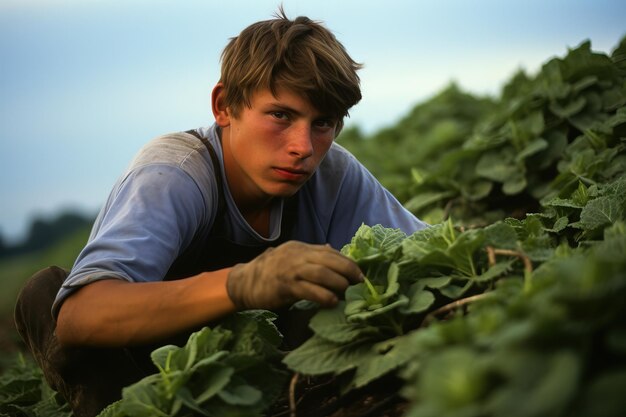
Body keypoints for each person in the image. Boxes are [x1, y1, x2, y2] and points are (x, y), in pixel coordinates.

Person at [14, 8, 428, 417]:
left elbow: (424, 255)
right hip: (153, 377)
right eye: (281, 115)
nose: (303, 146)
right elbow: (81, 316)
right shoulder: (173, 173)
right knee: (47, 293)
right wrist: (244, 284)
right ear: (224, 105)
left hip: (265, 382)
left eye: (323, 123)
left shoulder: (334, 173)